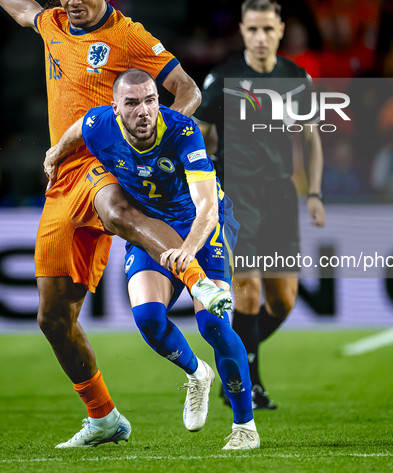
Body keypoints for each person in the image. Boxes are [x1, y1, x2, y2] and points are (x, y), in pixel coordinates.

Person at [0, 0, 231, 448]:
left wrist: (155, 143)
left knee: (115, 208)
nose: (72, 0)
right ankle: (105, 417)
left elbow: (187, 90)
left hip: (105, 164)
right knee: (52, 317)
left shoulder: (129, 36)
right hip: (63, 180)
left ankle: (199, 281)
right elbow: (23, 10)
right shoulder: (54, 24)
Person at [44, 68, 259, 450]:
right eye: (132, 103)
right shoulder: (100, 124)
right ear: (116, 108)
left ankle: (245, 426)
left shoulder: (182, 132)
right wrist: (57, 151)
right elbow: (78, 128)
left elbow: (207, 204)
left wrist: (188, 251)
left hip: (201, 230)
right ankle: (197, 374)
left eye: (150, 100)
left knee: (213, 325)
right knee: (148, 319)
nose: (144, 111)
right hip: (150, 231)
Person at [196, 0, 326, 409]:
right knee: (247, 290)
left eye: (268, 29)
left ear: (281, 31)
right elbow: (195, 135)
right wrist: (203, 183)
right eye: (252, 29)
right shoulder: (223, 78)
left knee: (283, 301)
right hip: (236, 196)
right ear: (242, 31)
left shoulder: (296, 78)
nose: (260, 37)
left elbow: (311, 139)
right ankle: (250, 384)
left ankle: (235, 360)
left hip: (280, 196)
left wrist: (315, 194)